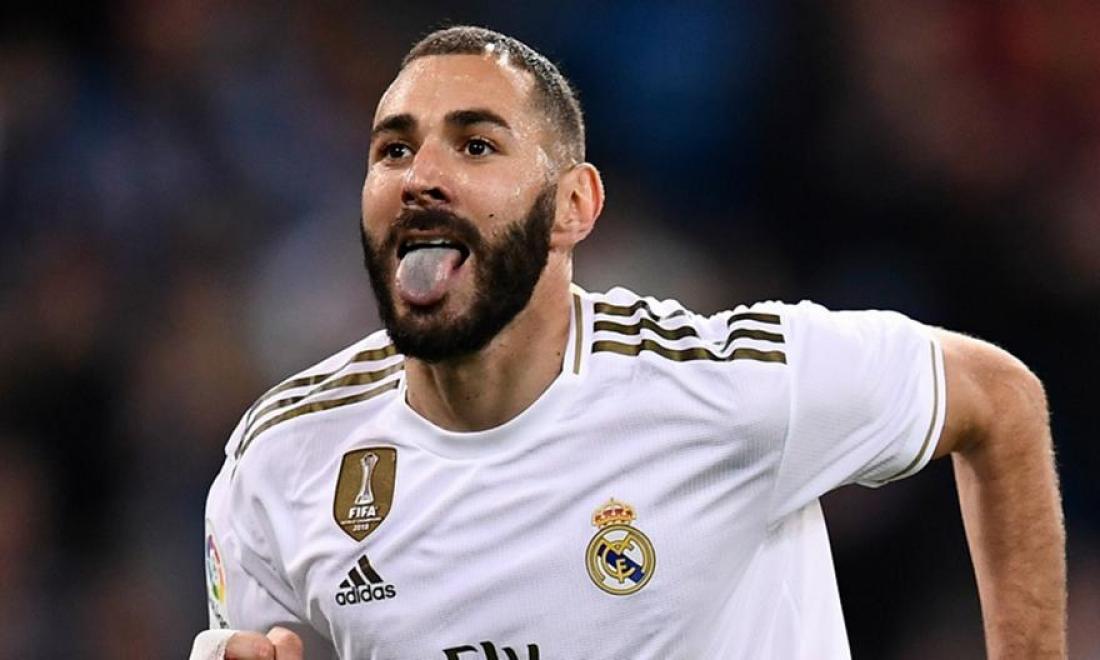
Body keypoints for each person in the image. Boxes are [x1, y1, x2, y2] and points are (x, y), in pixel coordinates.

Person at [191, 26, 1065, 660]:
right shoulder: (280, 462)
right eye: (393, 150)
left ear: (573, 207)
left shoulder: (730, 387)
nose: (421, 176)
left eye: (476, 144)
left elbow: (1000, 400)